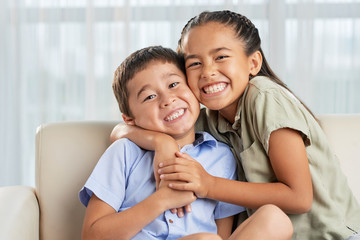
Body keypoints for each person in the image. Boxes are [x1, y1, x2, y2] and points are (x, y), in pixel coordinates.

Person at [110, 10, 360, 240]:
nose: (208, 72)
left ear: (253, 63)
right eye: (194, 63)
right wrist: (161, 142)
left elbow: (300, 197)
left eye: (221, 57)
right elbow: (119, 131)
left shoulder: (264, 96)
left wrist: (208, 184)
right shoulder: (208, 118)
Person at [79, 46, 293, 240]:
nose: (167, 99)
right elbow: (92, 235)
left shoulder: (221, 156)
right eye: (150, 97)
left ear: (193, 88)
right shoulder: (124, 152)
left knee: (275, 218)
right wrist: (162, 200)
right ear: (129, 119)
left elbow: (223, 233)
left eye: (173, 84)